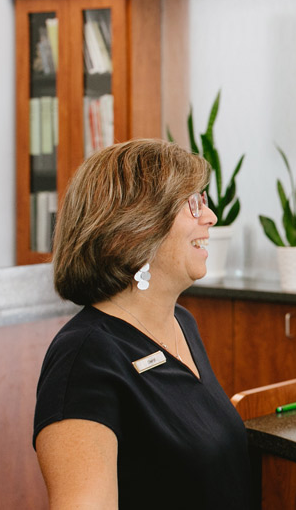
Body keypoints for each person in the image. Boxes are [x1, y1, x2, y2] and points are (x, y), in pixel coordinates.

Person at [33, 139, 253, 509]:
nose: (211, 217)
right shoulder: (85, 358)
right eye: (193, 203)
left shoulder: (181, 322)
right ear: (136, 230)